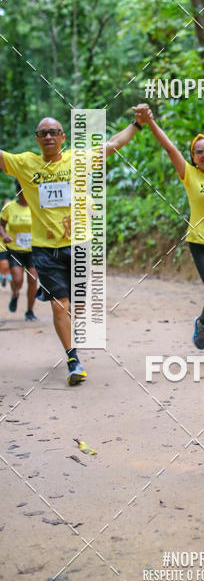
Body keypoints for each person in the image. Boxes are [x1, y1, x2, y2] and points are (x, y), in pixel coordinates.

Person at [0, 107, 149, 385]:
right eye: (43, 133)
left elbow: (113, 144)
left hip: (79, 245)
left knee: (77, 305)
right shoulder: (25, 163)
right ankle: (73, 359)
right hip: (45, 249)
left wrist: (137, 124)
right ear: (37, 139)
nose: (48, 137)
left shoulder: (78, 160)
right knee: (60, 306)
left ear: (63, 137)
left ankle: (72, 329)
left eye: (53, 132)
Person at [140, 105, 204, 356]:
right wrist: (150, 121)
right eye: (199, 152)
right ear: (193, 158)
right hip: (202, 245)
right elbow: (169, 148)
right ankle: (202, 321)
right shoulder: (190, 175)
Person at [0, 180, 39, 319]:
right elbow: (1, 225)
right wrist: (4, 235)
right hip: (15, 250)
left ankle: (30, 311)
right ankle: (15, 294)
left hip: (33, 250)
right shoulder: (9, 207)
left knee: (33, 280)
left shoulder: (36, 206)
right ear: (18, 192)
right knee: (17, 280)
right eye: (22, 192)